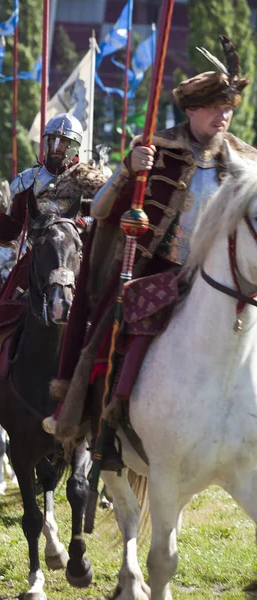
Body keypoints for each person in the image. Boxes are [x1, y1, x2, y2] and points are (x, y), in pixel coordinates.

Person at [43, 35, 257, 471]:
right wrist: (128, 170)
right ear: (192, 110)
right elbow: (101, 210)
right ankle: (101, 418)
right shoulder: (157, 150)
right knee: (112, 329)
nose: (225, 115)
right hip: (162, 271)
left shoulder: (245, 159)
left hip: (226, 273)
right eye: (216, 107)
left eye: (228, 107)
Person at [0, 113, 108, 448]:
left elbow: (103, 224)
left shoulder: (91, 183)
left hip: (78, 262)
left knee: (109, 326)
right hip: (32, 265)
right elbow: (10, 229)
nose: (55, 148)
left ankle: (111, 413)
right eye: (51, 141)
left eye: (63, 143)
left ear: (75, 148)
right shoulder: (27, 182)